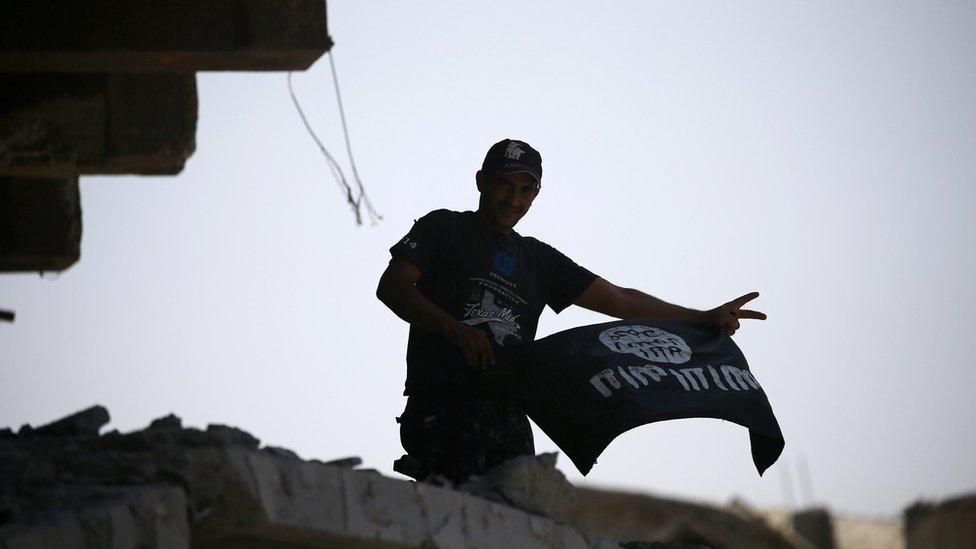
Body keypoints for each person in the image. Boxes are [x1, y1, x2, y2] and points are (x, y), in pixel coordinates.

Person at [376, 138, 765, 483]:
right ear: (481, 181)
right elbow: (392, 287)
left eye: (526, 190)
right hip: (443, 404)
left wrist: (701, 318)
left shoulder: (539, 259)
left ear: (536, 195)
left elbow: (622, 301)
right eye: (504, 185)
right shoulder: (443, 228)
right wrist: (455, 330)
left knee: (515, 522)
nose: (514, 199)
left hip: (509, 412)